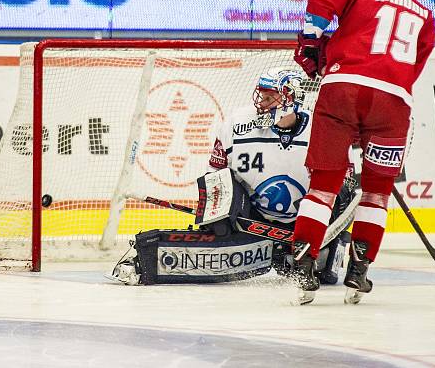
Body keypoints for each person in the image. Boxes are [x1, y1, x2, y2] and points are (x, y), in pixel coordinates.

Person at [108, 68, 356, 286]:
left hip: (309, 224)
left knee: (341, 201)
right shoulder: (237, 124)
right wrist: (216, 213)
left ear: (290, 99)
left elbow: (344, 184)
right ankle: (271, 250)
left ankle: (313, 253)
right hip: (254, 221)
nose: (262, 102)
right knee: (219, 223)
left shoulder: (325, 130)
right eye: (261, 95)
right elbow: (215, 173)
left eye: (271, 97)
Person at [291, 0, 435, 305]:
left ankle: (304, 265)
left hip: (343, 88)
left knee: (324, 186)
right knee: (376, 194)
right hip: (393, 102)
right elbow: (414, 67)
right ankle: (359, 272)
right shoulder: (425, 14)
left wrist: (311, 44)